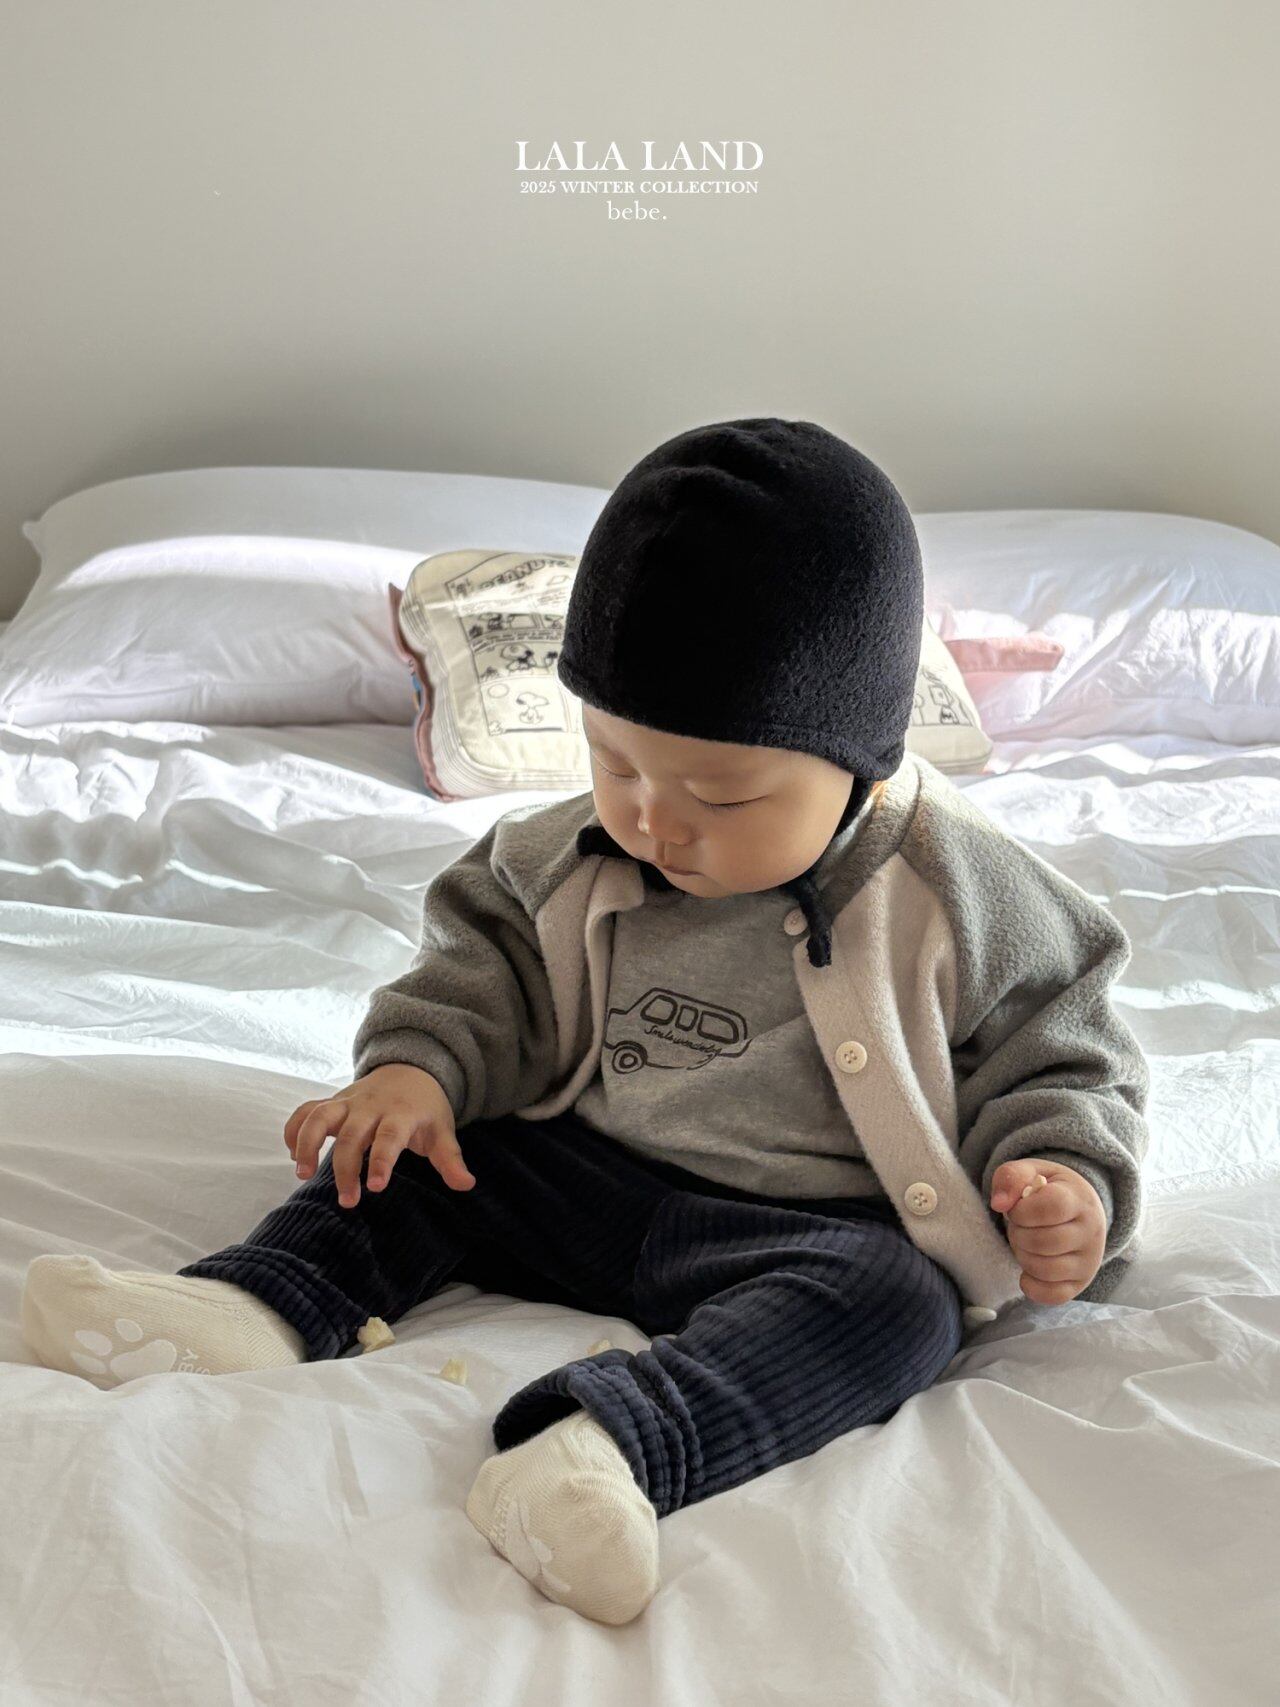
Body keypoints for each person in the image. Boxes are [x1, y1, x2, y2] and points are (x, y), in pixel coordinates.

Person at [21, 418, 1150, 1626]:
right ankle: (256, 1303)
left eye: (720, 795)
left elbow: (1061, 1050)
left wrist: (1062, 1177)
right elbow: (481, 968)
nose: (654, 821)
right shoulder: (562, 855)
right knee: (426, 1157)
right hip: (583, 1175)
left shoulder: (966, 892)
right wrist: (416, 1073)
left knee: (901, 1306)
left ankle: (605, 1452)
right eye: (615, 763)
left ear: (860, 761)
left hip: (809, 1230)